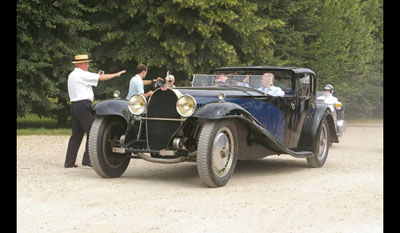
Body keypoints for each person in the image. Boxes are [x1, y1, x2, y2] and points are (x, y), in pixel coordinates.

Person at [65, 54, 126, 168]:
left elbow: (94, 78)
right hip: (83, 105)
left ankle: (69, 162)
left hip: (75, 106)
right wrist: (116, 74)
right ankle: (88, 160)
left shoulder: (73, 75)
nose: (88, 65)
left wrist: (97, 75)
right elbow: (101, 78)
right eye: (86, 63)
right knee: (94, 132)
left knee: (76, 135)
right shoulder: (82, 74)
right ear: (81, 64)